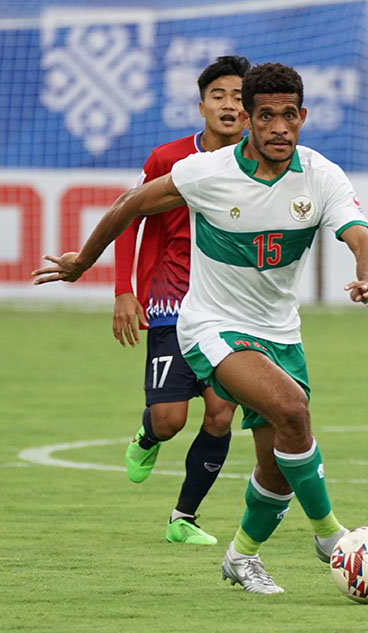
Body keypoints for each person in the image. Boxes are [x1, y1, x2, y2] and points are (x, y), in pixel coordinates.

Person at [34, 62, 368, 595]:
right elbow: (132, 203)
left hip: (281, 334)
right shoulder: (208, 172)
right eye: (266, 116)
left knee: (277, 463)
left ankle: (241, 558)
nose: (279, 128)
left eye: (289, 115)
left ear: (303, 116)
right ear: (248, 119)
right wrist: (83, 262)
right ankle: (330, 536)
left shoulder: (322, 176)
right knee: (292, 410)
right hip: (211, 326)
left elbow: (361, 238)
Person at [114, 55, 250, 546]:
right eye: (219, 96)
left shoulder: (259, 163)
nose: (229, 105)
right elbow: (128, 217)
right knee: (171, 420)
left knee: (220, 413)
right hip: (171, 303)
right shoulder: (167, 159)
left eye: (238, 97)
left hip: (229, 310)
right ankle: (148, 436)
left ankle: (183, 519)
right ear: (201, 106)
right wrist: (124, 291)